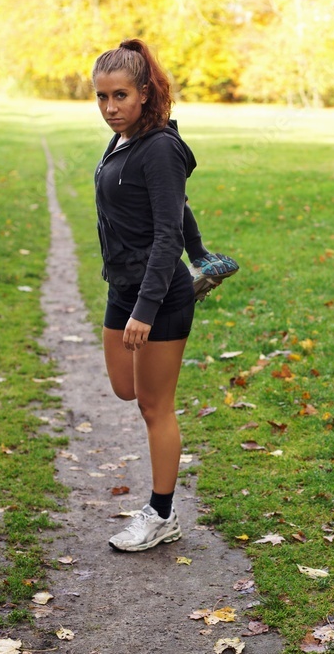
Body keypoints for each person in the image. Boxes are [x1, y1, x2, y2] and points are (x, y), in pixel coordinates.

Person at [91, 38, 237, 552]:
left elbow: (167, 231)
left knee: (155, 406)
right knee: (124, 388)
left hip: (157, 294)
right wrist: (200, 254)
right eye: (103, 97)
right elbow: (175, 209)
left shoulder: (159, 148)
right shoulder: (125, 139)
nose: (111, 108)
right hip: (123, 285)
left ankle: (162, 513)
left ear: (145, 93)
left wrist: (148, 309)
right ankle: (160, 508)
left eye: (121, 96)